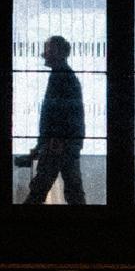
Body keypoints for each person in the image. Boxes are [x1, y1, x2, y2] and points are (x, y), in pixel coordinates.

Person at [18, 35, 86, 205]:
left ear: (59, 52)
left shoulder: (60, 77)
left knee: (39, 189)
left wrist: (47, 143)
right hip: (64, 143)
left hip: (56, 144)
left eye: (48, 50)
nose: (44, 54)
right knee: (73, 191)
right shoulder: (66, 76)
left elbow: (57, 115)